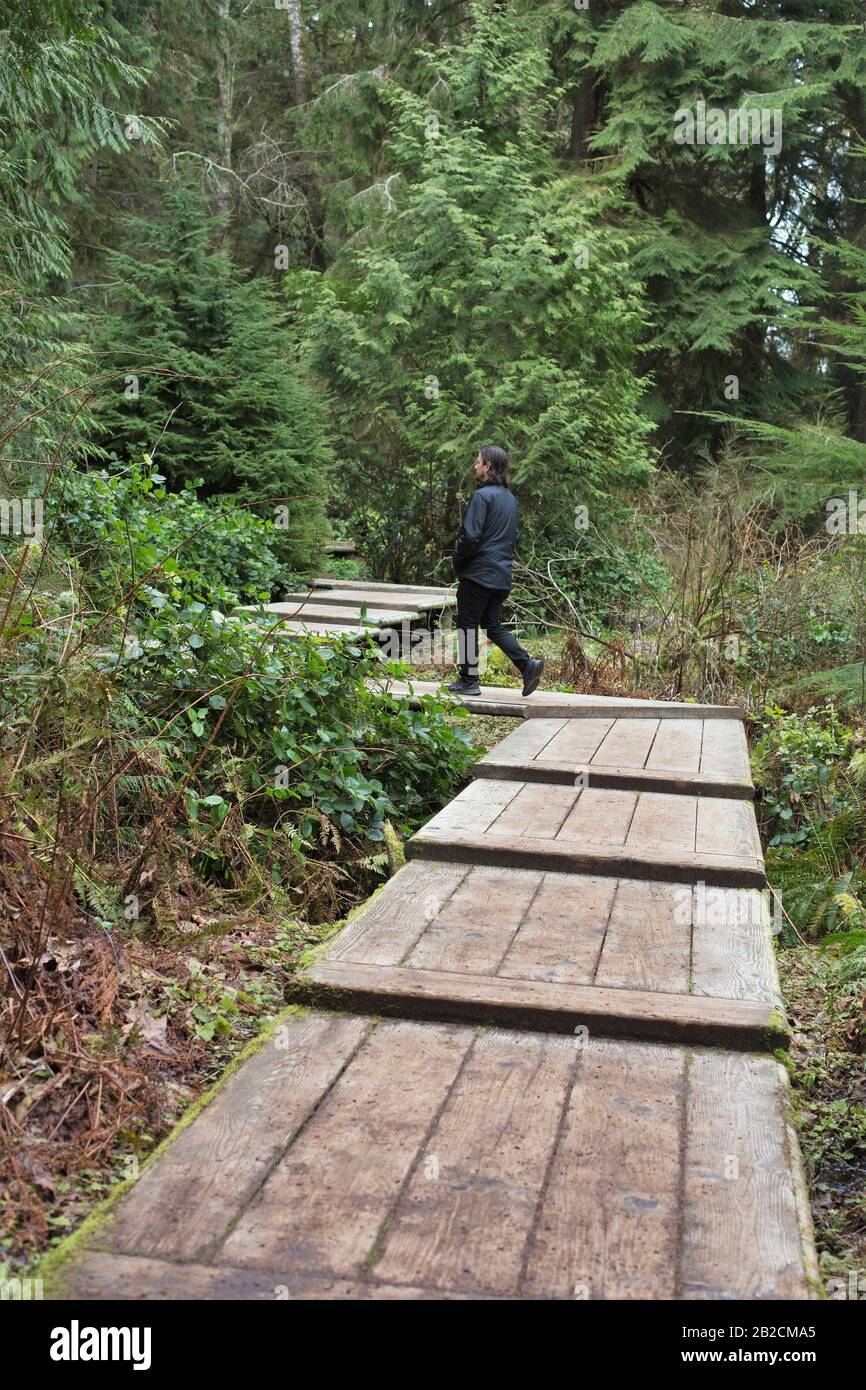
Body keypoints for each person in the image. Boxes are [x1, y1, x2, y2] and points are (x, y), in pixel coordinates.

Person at [448, 445, 544, 697]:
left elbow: (470, 536)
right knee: (491, 624)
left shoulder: (482, 497)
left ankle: (469, 680)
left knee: (467, 624)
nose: (475, 466)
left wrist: (458, 561)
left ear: (489, 466)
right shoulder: (510, 499)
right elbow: (514, 537)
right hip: (501, 574)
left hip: (479, 573)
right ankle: (527, 664)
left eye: (478, 461)